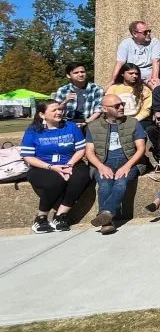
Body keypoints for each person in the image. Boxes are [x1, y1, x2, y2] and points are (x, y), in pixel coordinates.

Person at [19, 100, 90, 233]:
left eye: (60, 109)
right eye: (54, 110)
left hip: (70, 163)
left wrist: (69, 164)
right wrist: (51, 167)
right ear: (42, 114)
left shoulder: (71, 126)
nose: (59, 112)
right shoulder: (33, 131)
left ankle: (60, 216)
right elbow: (28, 157)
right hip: (42, 167)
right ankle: (41, 217)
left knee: (82, 176)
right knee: (55, 180)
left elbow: (81, 149)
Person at [84, 94, 148, 234]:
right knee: (105, 184)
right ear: (104, 109)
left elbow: (141, 149)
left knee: (121, 182)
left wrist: (127, 166)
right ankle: (107, 221)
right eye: (116, 105)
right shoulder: (93, 126)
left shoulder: (133, 123)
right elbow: (89, 152)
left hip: (129, 161)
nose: (121, 107)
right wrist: (101, 166)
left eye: (122, 104)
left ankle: (105, 216)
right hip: (103, 162)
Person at [111, 20, 160, 88]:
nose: (148, 33)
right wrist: (112, 80)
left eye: (149, 31)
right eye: (145, 32)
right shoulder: (125, 44)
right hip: (132, 76)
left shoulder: (154, 42)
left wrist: (154, 78)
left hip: (148, 76)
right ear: (135, 34)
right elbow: (120, 63)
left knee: (156, 87)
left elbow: (156, 61)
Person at [54, 62, 104, 126]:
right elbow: (55, 110)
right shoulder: (63, 90)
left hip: (89, 122)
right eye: (76, 73)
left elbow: (98, 110)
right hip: (67, 123)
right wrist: (65, 102)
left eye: (82, 72)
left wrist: (86, 122)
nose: (80, 74)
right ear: (68, 75)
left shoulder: (96, 89)